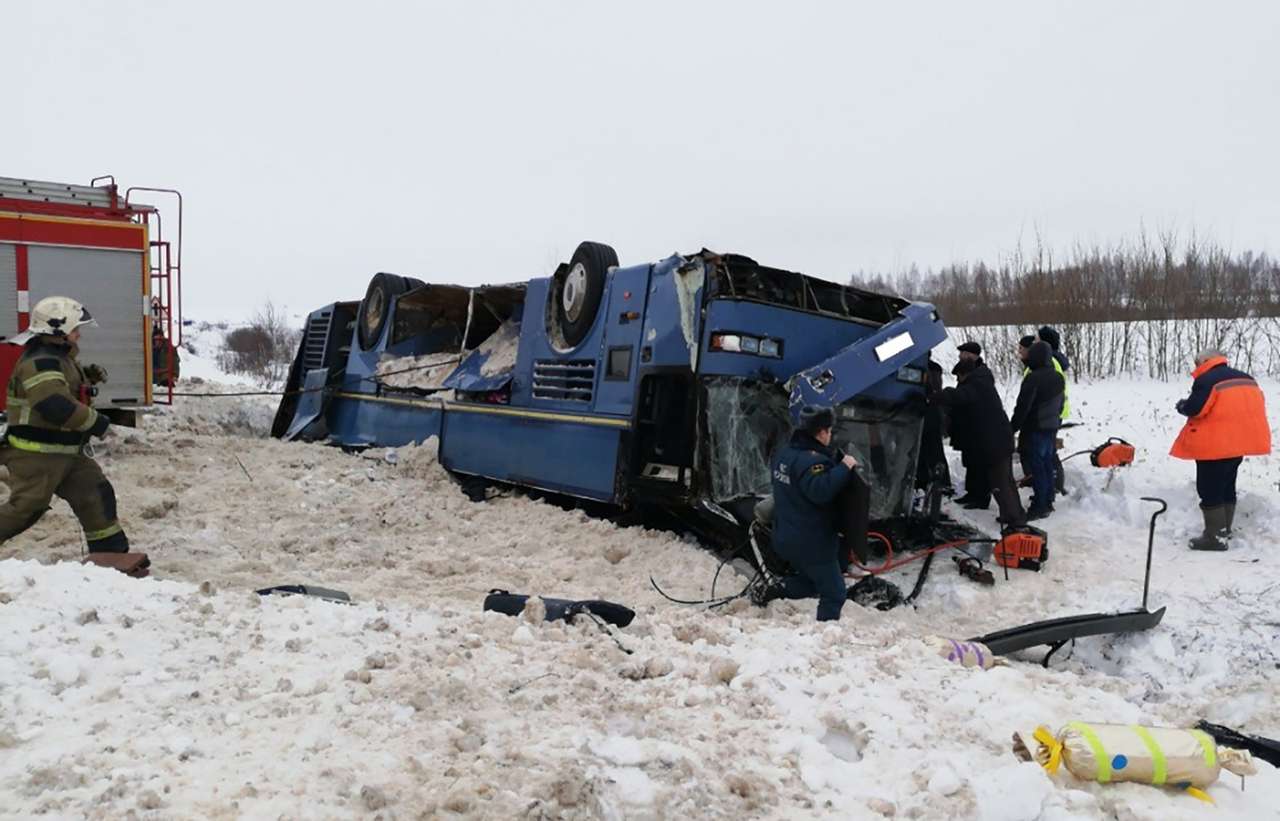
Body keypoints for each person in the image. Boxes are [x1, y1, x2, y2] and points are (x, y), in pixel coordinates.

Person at [0, 296, 127, 553]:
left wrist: (86, 377)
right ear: (58, 330)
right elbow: (53, 404)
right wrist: (97, 422)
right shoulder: (41, 361)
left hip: (66, 453)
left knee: (96, 495)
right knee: (25, 510)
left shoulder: (59, 358)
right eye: (75, 329)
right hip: (35, 455)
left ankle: (110, 556)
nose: (79, 335)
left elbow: (61, 386)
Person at [756, 405, 860, 621]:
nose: (830, 436)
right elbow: (820, 491)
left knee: (813, 582)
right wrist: (844, 467)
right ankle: (824, 637)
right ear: (821, 432)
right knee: (834, 592)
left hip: (786, 536)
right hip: (812, 542)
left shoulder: (784, 453)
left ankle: (779, 588)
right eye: (829, 431)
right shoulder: (813, 461)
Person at [1170, 349, 1271, 551]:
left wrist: (1182, 405)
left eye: (1197, 363)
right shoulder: (1247, 378)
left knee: (1209, 488)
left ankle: (1214, 537)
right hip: (1240, 442)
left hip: (1214, 444)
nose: (1196, 367)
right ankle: (1224, 530)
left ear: (1206, 361)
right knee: (1226, 485)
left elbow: (1196, 408)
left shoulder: (1207, 380)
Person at [933, 359, 1026, 528]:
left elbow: (959, 396)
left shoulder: (977, 385)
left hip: (996, 443)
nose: (958, 382)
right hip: (998, 440)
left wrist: (936, 396)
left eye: (958, 378)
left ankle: (1016, 520)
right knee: (1003, 481)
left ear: (964, 375)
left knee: (1001, 483)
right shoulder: (982, 382)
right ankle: (1011, 514)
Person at [1010, 341, 1064, 520]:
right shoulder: (1058, 376)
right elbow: (1061, 403)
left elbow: (1023, 407)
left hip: (1036, 428)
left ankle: (1040, 505)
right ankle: (1048, 498)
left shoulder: (1033, 378)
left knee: (1038, 466)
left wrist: (1012, 427)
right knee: (1047, 463)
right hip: (1052, 427)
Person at [951, 344, 994, 509]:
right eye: (961, 353)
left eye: (964, 353)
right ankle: (972, 492)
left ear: (973, 355)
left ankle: (981, 496)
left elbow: (968, 395)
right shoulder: (967, 370)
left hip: (979, 425)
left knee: (979, 462)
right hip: (968, 425)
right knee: (970, 460)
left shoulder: (981, 375)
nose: (961, 356)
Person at [1035, 326, 1070, 494]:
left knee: (1048, 452)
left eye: (1038, 339)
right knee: (1048, 450)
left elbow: (1053, 389)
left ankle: (1056, 484)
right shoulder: (1052, 360)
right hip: (1054, 411)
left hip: (1052, 412)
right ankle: (1053, 483)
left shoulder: (1051, 363)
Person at [915, 358, 952, 491]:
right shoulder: (933, 368)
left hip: (929, 414)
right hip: (930, 414)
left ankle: (939, 482)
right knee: (928, 450)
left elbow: (934, 392)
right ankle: (929, 480)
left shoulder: (929, 370)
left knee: (931, 450)